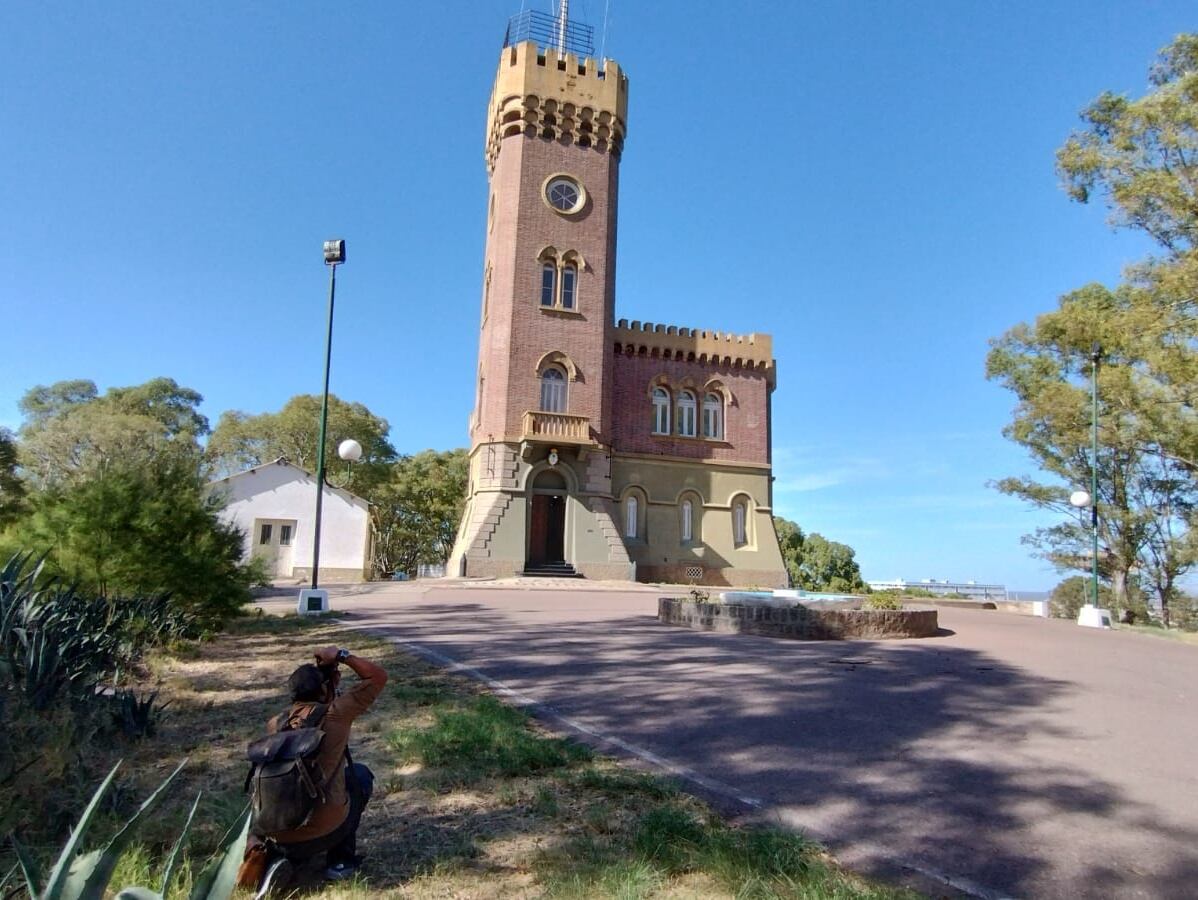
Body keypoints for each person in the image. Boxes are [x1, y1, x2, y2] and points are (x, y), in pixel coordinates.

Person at [249, 645, 387, 897]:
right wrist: (341, 656)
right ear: (325, 689)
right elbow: (377, 676)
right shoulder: (335, 715)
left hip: (277, 832)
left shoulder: (275, 724)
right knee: (359, 775)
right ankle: (340, 861)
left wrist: (325, 680)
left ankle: (281, 859)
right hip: (325, 832)